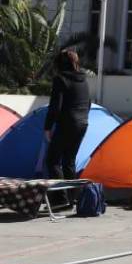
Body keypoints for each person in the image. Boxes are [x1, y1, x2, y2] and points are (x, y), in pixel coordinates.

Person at [43, 49, 91, 179]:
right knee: (69, 161)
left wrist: (48, 127)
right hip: (83, 123)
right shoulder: (84, 80)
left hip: (67, 123)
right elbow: (88, 103)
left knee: (52, 161)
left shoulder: (60, 79)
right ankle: (72, 197)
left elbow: (55, 106)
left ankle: (60, 198)